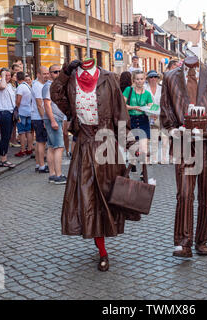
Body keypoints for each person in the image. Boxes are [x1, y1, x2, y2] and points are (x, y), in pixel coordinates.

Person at [51, 58, 137, 272]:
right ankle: (102, 251)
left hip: (107, 146)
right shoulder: (71, 80)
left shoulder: (108, 78)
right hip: (84, 147)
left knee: (108, 197)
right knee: (88, 198)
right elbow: (55, 94)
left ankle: (104, 242)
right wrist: (64, 71)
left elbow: (120, 113)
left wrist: (131, 145)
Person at [160, 55, 207, 258]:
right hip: (184, 144)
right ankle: (183, 243)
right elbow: (165, 108)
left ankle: (202, 240)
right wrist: (172, 129)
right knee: (184, 194)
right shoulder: (170, 77)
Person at [123, 70, 153, 176]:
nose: (139, 81)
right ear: (134, 80)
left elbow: (151, 107)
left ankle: (143, 172)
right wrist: (134, 107)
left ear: (144, 80)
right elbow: (123, 105)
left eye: (141, 79)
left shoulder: (148, 94)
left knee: (143, 147)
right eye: (137, 79)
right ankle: (133, 164)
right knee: (132, 146)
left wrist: (148, 109)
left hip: (143, 120)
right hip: (131, 120)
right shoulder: (128, 90)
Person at [42, 65, 66, 184]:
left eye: (59, 71)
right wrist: (52, 120)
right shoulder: (48, 86)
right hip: (54, 118)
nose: (58, 74)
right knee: (59, 147)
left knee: (51, 147)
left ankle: (52, 174)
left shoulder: (54, 85)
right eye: (55, 72)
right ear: (50, 74)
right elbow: (47, 104)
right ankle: (58, 175)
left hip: (54, 118)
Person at [0, 68, 16, 168]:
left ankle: (4, 158)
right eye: (5, 75)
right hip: (3, 112)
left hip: (10, 112)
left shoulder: (10, 86)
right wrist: (2, 76)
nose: (7, 77)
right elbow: (2, 86)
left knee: (7, 136)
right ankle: (3, 160)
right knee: (4, 137)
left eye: (9, 75)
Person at [31, 66, 50, 174]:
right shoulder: (38, 86)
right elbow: (39, 104)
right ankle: (42, 165)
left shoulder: (40, 85)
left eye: (47, 73)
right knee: (42, 142)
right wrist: (44, 119)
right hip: (39, 117)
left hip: (38, 117)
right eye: (44, 74)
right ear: (38, 74)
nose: (46, 75)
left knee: (39, 142)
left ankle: (39, 164)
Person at [15, 71, 34, 157]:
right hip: (29, 111)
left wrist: (16, 108)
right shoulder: (28, 86)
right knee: (28, 131)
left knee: (21, 132)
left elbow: (18, 100)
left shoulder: (20, 87)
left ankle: (22, 150)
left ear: (17, 78)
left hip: (22, 111)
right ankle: (29, 148)